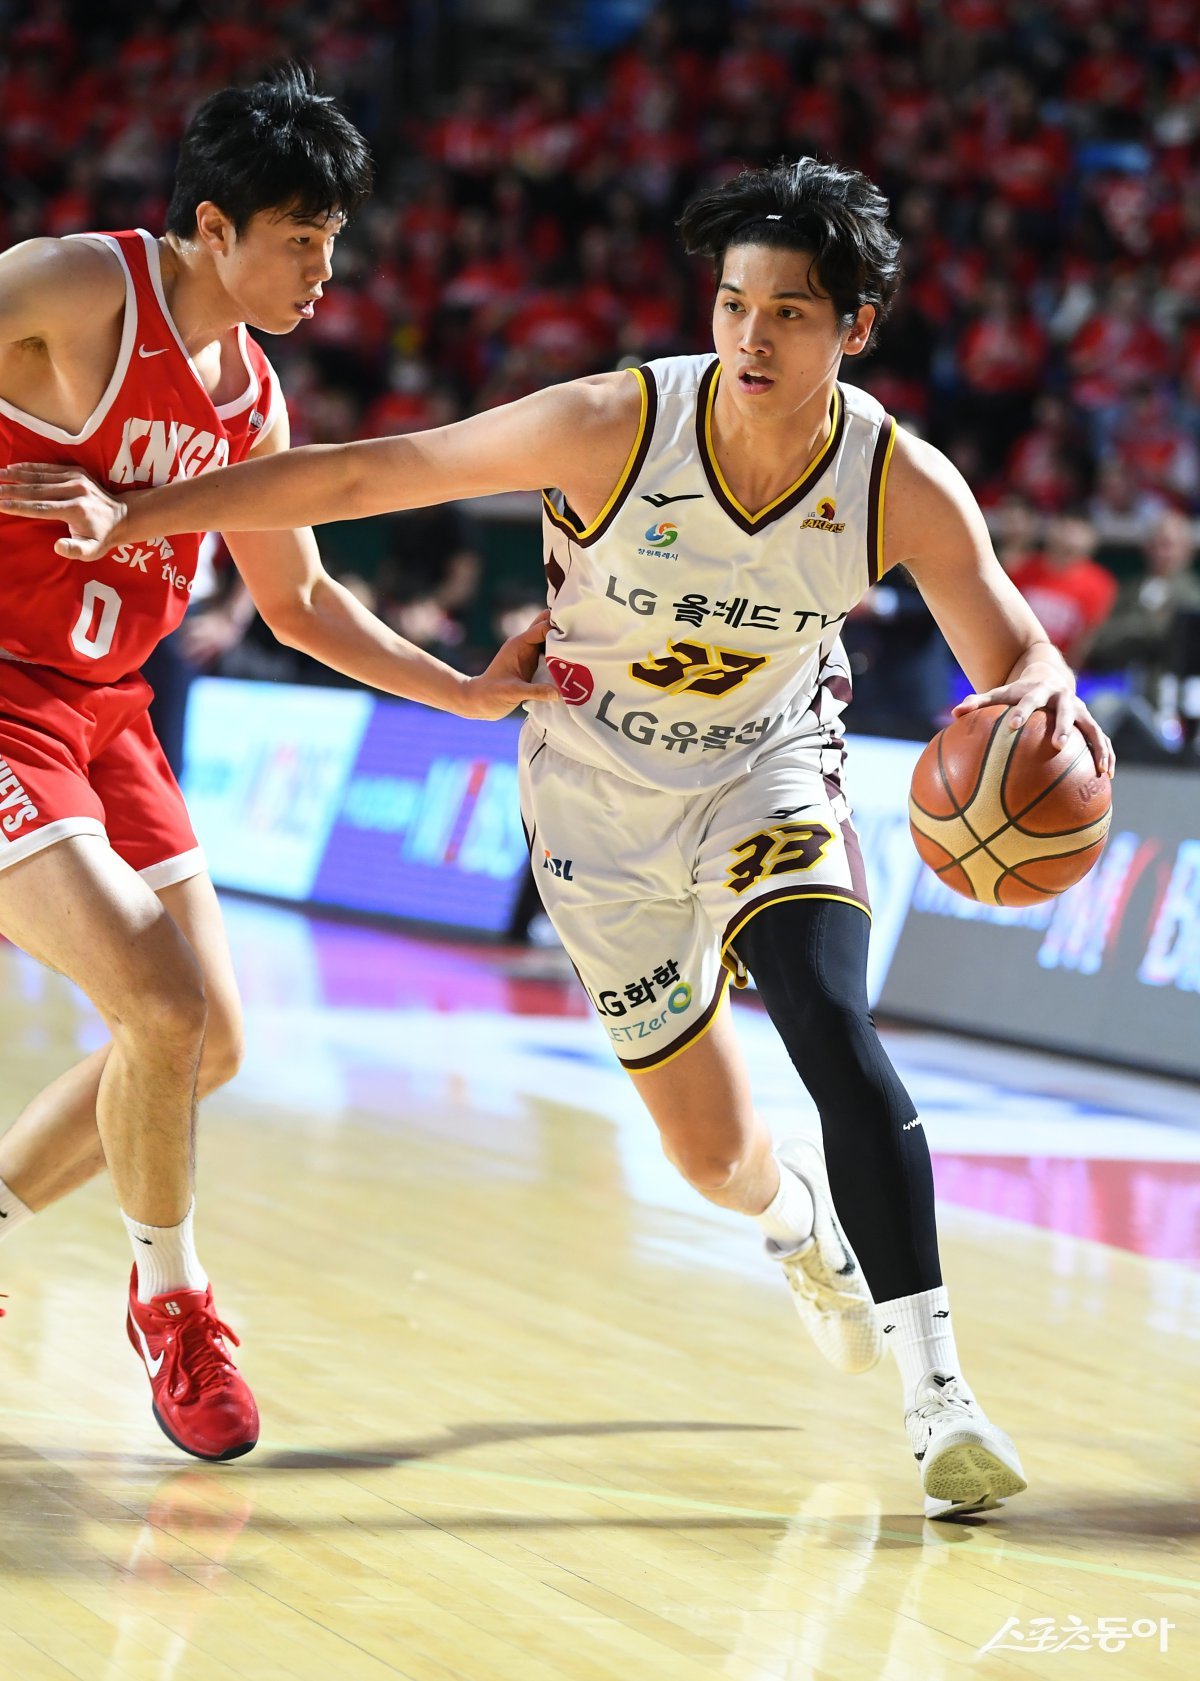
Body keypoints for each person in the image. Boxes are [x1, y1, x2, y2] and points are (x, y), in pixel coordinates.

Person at [2, 157, 1115, 1518]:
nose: (753, 337)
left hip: (768, 775)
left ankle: (942, 1399)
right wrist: (137, 511)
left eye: (790, 313)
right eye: (734, 304)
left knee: (830, 1022)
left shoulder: (899, 483)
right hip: (596, 803)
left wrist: (1044, 695)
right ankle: (791, 1221)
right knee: (712, 1157)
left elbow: (1016, 652)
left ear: (856, 328)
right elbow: (372, 474)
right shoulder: (614, 423)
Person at [0, 66, 555, 1464]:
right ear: (212, 225)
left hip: (110, 711)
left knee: (210, 1040)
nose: (326, 270)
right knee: (157, 997)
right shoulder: (74, 288)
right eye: (302, 238)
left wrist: (461, 694)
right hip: (2, 693)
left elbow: (299, 601)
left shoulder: (250, 393)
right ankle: (174, 1304)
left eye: (334, 240)